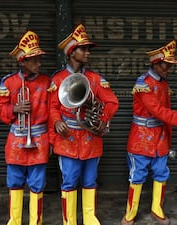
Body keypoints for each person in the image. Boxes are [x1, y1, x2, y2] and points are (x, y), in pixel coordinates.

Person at [121, 40, 177, 225]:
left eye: (171, 66)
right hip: (141, 138)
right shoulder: (143, 85)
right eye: (167, 65)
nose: (169, 69)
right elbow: (159, 111)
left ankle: (157, 208)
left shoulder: (163, 84)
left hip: (160, 138)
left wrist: (169, 136)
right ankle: (130, 213)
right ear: (155, 63)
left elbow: (165, 113)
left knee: (161, 173)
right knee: (137, 176)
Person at [47, 23, 119, 225]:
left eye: (88, 49)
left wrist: (103, 120)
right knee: (69, 181)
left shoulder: (95, 79)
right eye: (83, 49)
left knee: (90, 181)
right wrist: (57, 121)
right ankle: (69, 221)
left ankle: (89, 218)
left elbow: (113, 102)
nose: (87, 53)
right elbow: (52, 107)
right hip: (67, 139)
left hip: (91, 139)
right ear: (71, 53)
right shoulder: (59, 79)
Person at [0, 30, 50, 225]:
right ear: (23, 62)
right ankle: (14, 221)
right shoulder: (9, 82)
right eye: (34, 60)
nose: (39, 64)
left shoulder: (47, 82)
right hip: (17, 139)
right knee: (15, 182)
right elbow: (0, 109)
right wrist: (15, 108)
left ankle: (36, 221)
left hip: (40, 139)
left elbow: (52, 112)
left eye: (39, 60)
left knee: (37, 184)